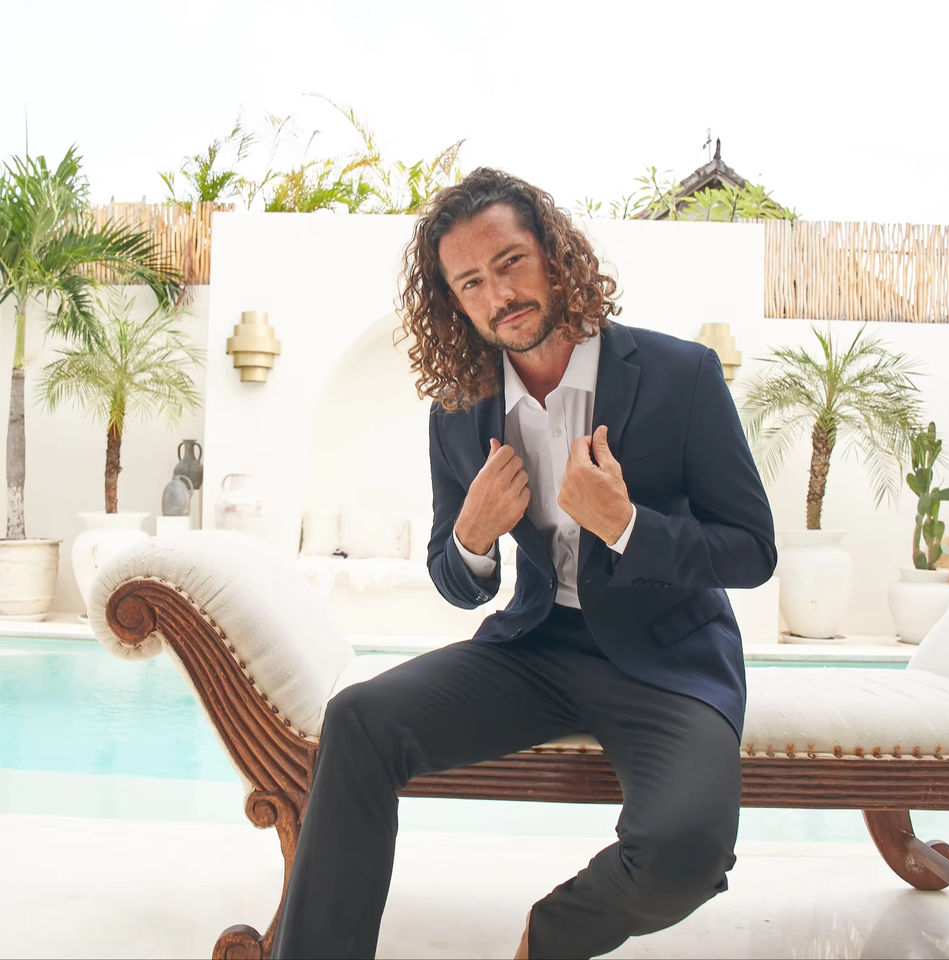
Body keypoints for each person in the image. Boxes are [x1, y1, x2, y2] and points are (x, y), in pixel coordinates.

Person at [274, 168, 777, 960]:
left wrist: (628, 527)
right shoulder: (457, 409)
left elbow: (752, 549)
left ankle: (547, 941)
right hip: (536, 648)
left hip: (669, 659)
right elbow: (453, 579)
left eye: (510, 262)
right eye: (470, 281)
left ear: (554, 255)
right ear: (453, 302)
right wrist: (472, 540)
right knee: (359, 720)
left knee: (685, 853)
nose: (499, 294)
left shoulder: (680, 377)